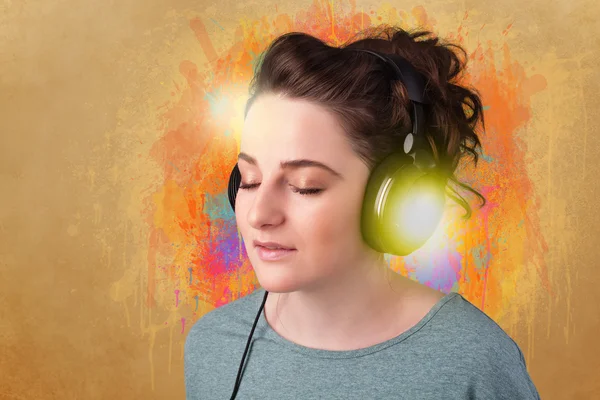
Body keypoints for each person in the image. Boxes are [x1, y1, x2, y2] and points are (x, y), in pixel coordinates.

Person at [184, 26, 541, 399]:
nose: (260, 214)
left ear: (393, 197)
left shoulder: (474, 360)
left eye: (306, 185)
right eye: (250, 179)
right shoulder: (212, 347)